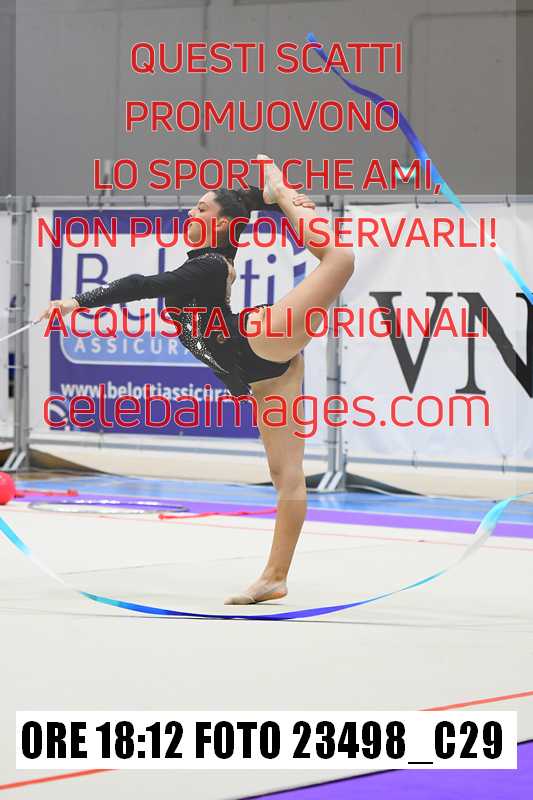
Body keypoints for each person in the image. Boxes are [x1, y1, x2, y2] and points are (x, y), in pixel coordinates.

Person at [39, 156, 355, 605]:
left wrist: (77, 301)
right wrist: (262, 197)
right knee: (284, 474)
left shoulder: (208, 266)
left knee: (339, 259)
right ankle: (275, 577)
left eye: (202, 208)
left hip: (260, 340)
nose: (191, 210)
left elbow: (142, 284)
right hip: (258, 375)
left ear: (221, 224)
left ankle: (283, 190)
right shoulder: (210, 256)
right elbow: (238, 205)